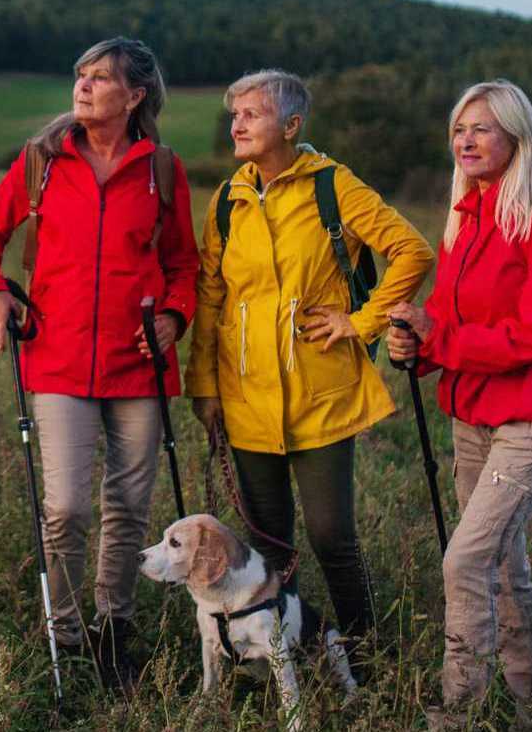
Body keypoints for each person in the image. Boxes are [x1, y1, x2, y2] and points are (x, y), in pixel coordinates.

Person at [184, 69, 434, 681]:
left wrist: (363, 321)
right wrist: (206, 386)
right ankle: (282, 664)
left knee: (331, 540)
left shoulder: (334, 187)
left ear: (291, 126)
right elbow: (211, 297)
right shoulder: (228, 198)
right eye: (234, 113)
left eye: (252, 114)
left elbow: (413, 251)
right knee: (267, 546)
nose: (237, 123)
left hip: (321, 392)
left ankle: (369, 661)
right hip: (244, 398)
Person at [0, 37, 198, 693]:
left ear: (135, 95)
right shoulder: (43, 160)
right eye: (81, 75)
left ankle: (113, 633)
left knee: (127, 509)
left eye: (101, 78)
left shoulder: (163, 170)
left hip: (139, 364)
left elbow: (185, 264)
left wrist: (173, 317)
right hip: (59, 357)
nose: (85, 85)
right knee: (66, 507)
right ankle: (63, 638)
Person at [384, 79, 532, 730]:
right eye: (458, 129)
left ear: (516, 137)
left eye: (482, 128)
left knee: (466, 560)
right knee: (503, 562)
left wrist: (441, 337)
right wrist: (415, 346)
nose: (466, 140)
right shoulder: (464, 220)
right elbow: (446, 322)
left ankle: (458, 712)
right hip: (472, 416)